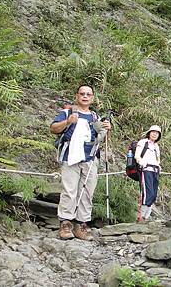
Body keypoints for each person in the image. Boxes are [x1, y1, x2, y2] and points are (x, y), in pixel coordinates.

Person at [50, 85, 111, 240]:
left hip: (90, 158)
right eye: (82, 94)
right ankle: (65, 224)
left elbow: (98, 136)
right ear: (76, 96)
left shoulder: (95, 117)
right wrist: (68, 122)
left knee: (87, 192)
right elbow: (53, 128)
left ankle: (81, 225)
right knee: (69, 191)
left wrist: (105, 128)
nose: (85, 96)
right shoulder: (68, 112)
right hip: (70, 156)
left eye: (88, 94)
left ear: (92, 97)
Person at [135, 125, 162, 221]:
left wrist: (158, 166)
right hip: (146, 170)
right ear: (149, 133)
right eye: (153, 132)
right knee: (147, 194)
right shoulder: (143, 142)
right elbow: (137, 156)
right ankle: (141, 217)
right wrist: (141, 162)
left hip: (155, 171)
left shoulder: (156, 146)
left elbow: (157, 159)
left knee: (153, 195)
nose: (155, 134)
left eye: (157, 133)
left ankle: (146, 217)